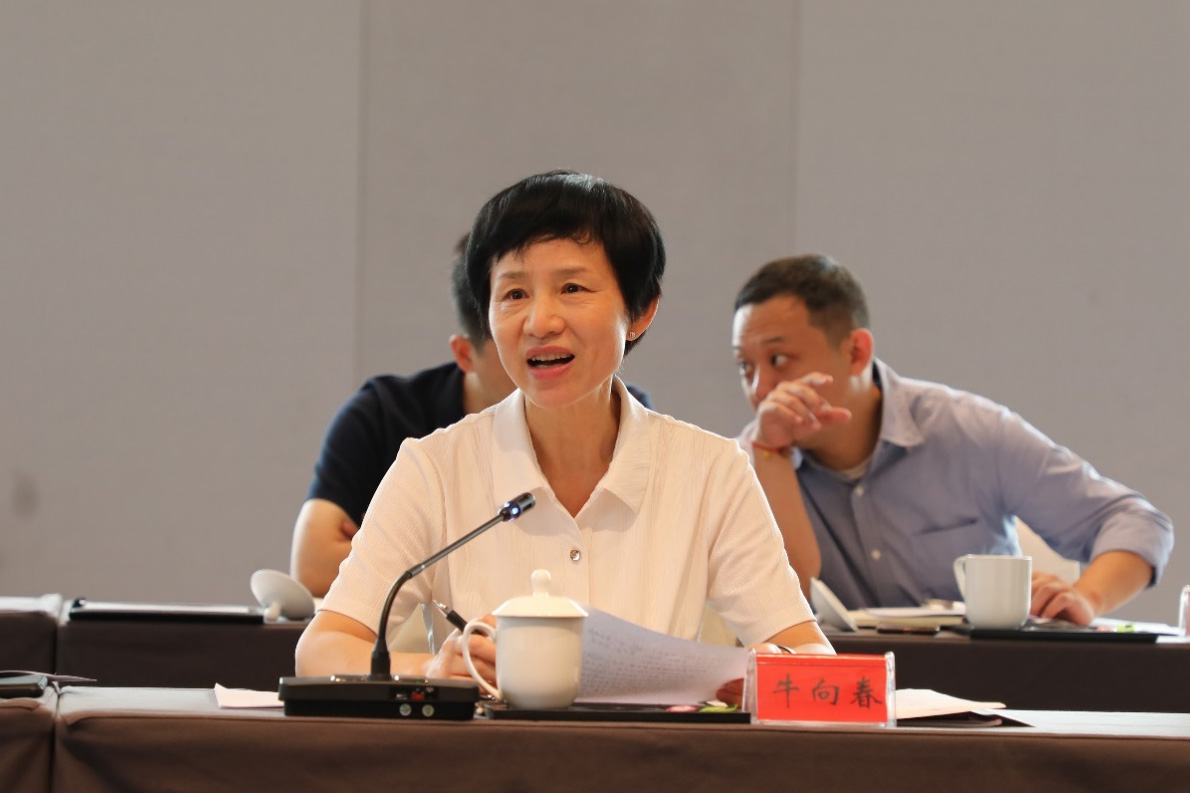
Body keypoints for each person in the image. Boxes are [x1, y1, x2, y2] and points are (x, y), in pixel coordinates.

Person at [296, 171, 831, 682]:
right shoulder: (433, 468)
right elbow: (323, 648)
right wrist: (435, 670)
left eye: (572, 288)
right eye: (514, 294)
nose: (540, 322)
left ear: (640, 311)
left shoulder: (711, 472)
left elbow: (810, 654)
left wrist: (752, 674)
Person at [732, 254, 1173, 626]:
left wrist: (1086, 598)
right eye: (745, 367)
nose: (760, 389)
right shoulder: (744, 463)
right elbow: (779, 606)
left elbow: (1135, 522)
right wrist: (771, 454)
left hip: (989, 684)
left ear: (855, 353)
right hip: (840, 691)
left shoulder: (969, 432)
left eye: (779, 359)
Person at [289, 237, 653, 597]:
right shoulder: (387, 418)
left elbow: (639, 566)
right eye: (515, 296)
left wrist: (410, 547)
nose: (542, 332)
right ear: (465, 354)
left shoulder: (622, 413)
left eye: (571, 289)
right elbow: (315, 565)